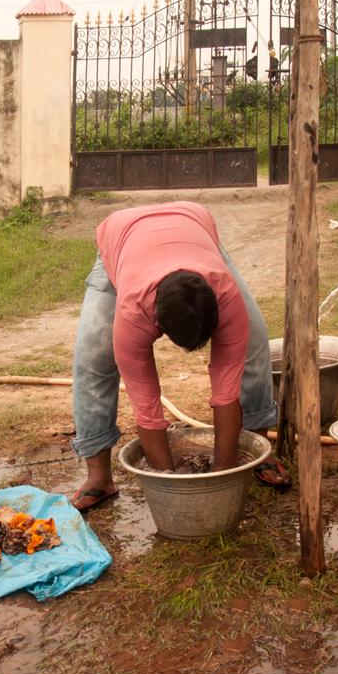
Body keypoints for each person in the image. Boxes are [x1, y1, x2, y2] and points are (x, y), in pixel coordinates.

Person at [68, 201, 289, 512]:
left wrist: (223, 473)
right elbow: (147, 408)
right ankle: (99, 478)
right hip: (122, 243)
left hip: (194, 230)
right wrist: (168, 478)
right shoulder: (134, 313)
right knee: (93, 360)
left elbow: (226, 394)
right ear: (157, 324)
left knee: (254, 340)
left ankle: (254, 453)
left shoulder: (224, 296)